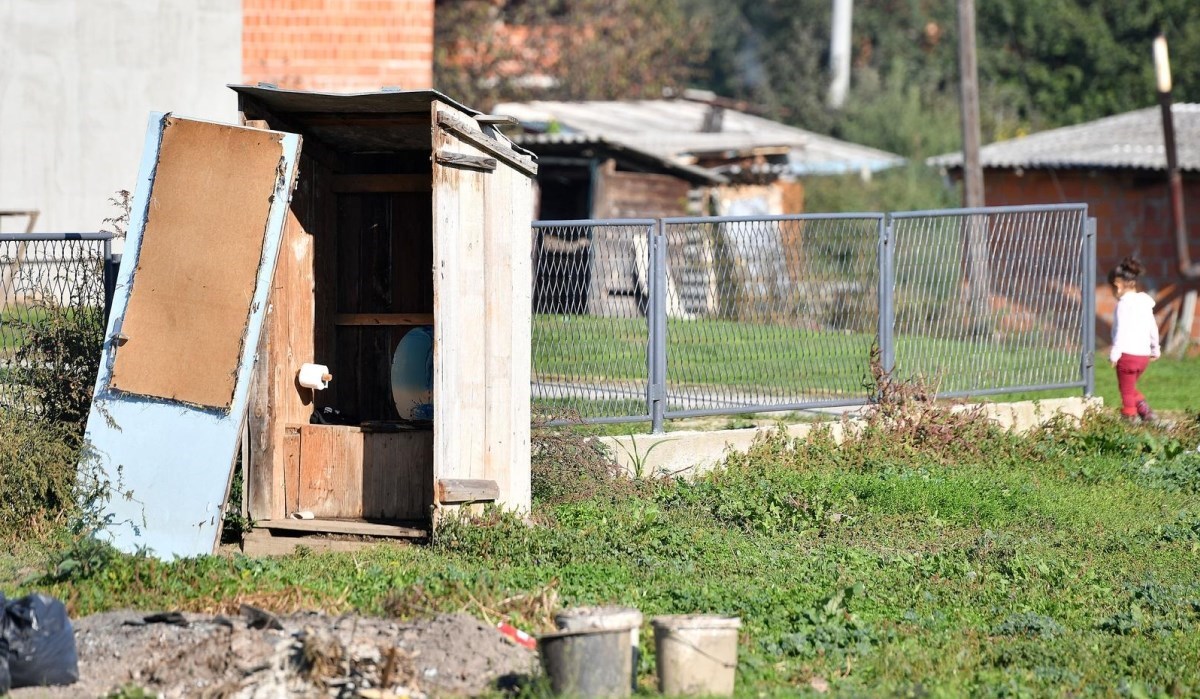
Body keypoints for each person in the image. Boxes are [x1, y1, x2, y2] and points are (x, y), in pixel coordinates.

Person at [1108, 256, 1160, 423]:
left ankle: (1129, 418)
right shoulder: (1143, 302)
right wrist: (1155, 348)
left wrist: (1115, 353)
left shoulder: (1123, 304)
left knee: (1125, 391)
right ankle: (1145, 411)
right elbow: (1153, 326)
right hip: (1143, 357)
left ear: (1117, 285)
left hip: (1128, 356)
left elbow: (1120, 331)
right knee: (1129, 388)